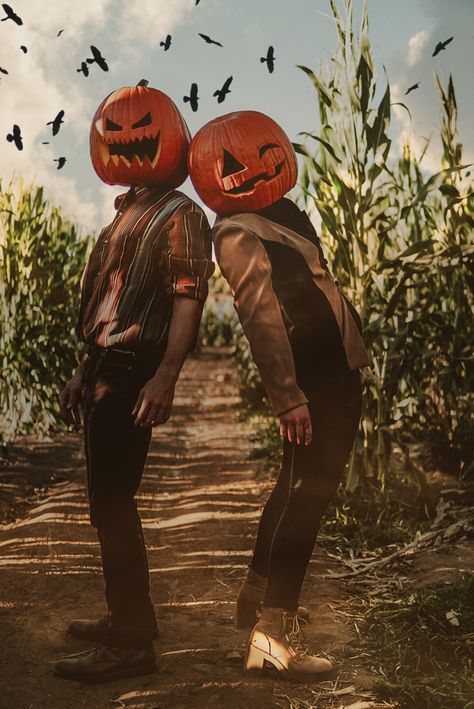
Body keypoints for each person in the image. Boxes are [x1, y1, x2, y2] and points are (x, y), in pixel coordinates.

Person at [188, 110, 370, 680]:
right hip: (312, 381)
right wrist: (288, 396)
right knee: (308, 497)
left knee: (292, 487)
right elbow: (259, 317)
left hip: (332, 371)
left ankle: (257, 598)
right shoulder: (238, 230)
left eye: (261, 150)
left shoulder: (278, 212)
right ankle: (274, 639)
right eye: (233, 163)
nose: (253, 165)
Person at [53, 82, 214, 683]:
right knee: (105, 503)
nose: (124, 138)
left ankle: (131, 643)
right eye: (113, 128)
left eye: (140, 128)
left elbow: (187, 301)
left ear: (168, 139)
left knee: (115, 504)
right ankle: (126, 616)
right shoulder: (128, 211)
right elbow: (108, 303)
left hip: (131, 372)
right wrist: (81, 369)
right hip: (102, 369)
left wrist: (165, 376)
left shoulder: (182, 215)